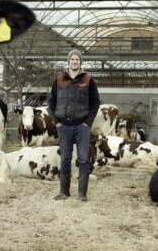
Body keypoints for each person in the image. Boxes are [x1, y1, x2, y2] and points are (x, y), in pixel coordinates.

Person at [48, 49, 100, 201]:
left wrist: (87, 122)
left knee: (83, 159)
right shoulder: (59, 80)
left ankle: (82, 194)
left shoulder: (88, 80)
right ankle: (64, 191)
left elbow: (95, 102)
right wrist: (55, 121)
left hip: (81, 126)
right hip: (63, 126)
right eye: (72, 59)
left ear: (80, 62)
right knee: (65, 158)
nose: (75, 62)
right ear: (68, 61)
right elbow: (51, 101)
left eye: (77, 59)